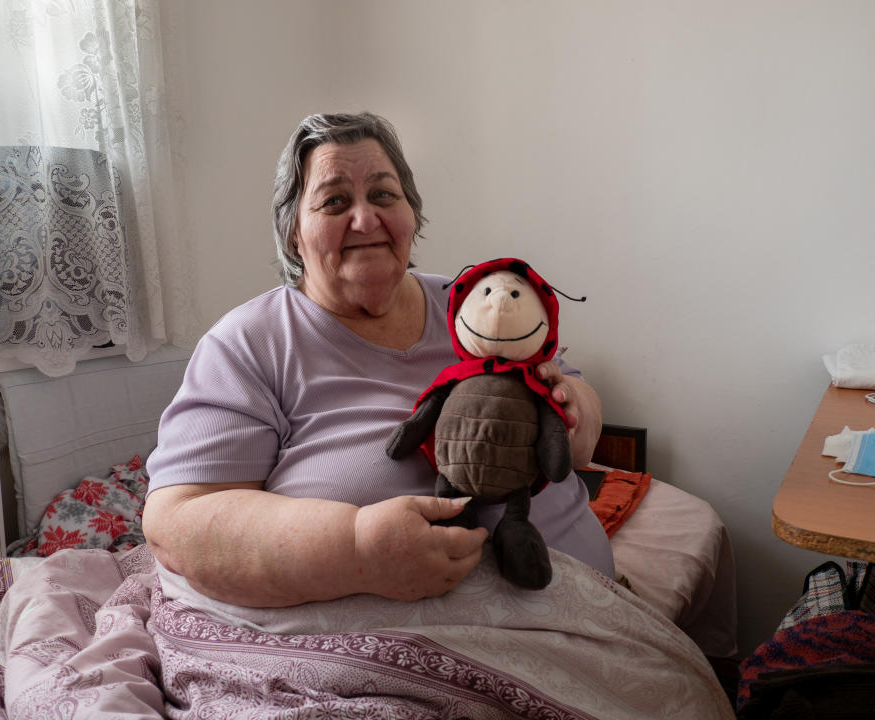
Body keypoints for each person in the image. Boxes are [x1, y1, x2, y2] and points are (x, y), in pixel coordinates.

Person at [142, 112, 612, 608]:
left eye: (384, 195)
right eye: (335, 201)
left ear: (412, 214)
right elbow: (178, 520)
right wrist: (358, 547)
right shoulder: (249, 342)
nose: (366, 220)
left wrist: (573, 410)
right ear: (294, 233)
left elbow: (583, 421)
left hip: (583, 613)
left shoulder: (474, 306)